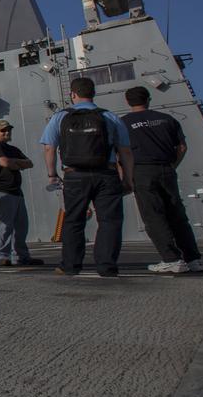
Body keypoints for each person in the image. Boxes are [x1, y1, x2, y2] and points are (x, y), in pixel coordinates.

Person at [41, 77, 134, 277]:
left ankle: (70, 265)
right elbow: (125, 151)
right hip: (106, 174)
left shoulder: (59, 117)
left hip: (74, 175)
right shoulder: (109, 117)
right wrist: (128, 178)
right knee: (109, 221)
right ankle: (107, 266)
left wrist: (52, 174)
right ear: (94, 93)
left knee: (74, 220)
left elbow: (49, 148)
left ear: (73, 94)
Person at [122, 85, 203, 274]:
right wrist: (172, 166)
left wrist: (126, 177)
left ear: (127, 101)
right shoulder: (167, 119)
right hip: (167, 169)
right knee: (178, 216)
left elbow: (123, 152)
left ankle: (172, 259)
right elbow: (182, 147)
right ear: (148, 99)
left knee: (153, 216)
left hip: (142, 171)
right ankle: (194, 259)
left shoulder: (123, 123)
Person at [0, 120, 43, 267]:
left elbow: (30, 163)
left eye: (8, 129)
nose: (7, 132)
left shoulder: (12, 149)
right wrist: (17, 164)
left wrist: (13, 162)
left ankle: (20, 256)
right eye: (3, 130)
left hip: (16, 191)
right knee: (4, 226)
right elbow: (4, 162)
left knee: (21, 227)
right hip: (1, 191)